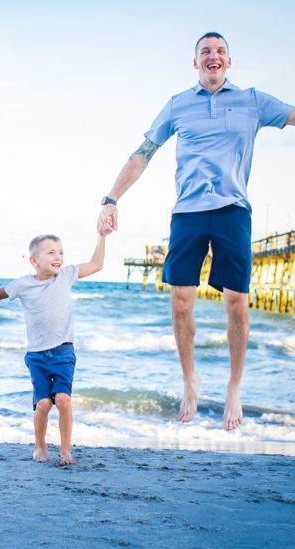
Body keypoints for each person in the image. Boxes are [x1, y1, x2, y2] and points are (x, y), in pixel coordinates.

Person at [97, 32, 295, 431]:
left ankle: (234, 387)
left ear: (229, 61)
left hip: (233, 211)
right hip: (187, 212)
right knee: (180, 304)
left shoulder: (253, 101)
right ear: (196, 63)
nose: (213, 56)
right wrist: (111, 198)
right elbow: (142, 155)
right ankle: (190, 380)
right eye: (206, 51)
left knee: (238, 303)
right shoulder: (178, 105)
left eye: (220, 51)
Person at [0, 233, 106, 465]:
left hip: (63, 351)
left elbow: (96, 264)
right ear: (34, 261)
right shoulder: (23, 284)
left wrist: (102, 236)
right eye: (51, 252)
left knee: (63, 400)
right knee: (43, 404)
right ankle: (40, 446)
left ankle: (65, 450)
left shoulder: (66, 275)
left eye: (61, 252)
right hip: (36, 356)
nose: (58, 257)